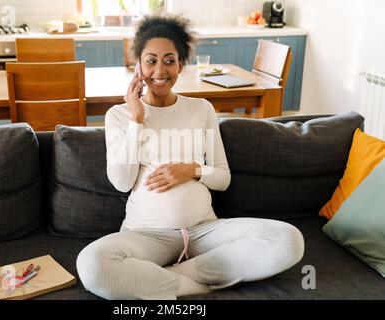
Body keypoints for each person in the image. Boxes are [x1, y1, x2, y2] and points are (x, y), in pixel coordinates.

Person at [76, 14, 304, 300]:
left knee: (288, 240)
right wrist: (137, 119)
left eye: (170, 60)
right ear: (138, 65)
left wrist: (194, 170)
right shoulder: (119, 116)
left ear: (181, 64)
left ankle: (164, 280)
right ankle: (201, 282)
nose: (160, 70)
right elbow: (121, 182)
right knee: (92, 265)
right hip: (146, 235)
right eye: (151, 60)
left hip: (205, 231)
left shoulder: (202, 109)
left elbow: (222, 178)